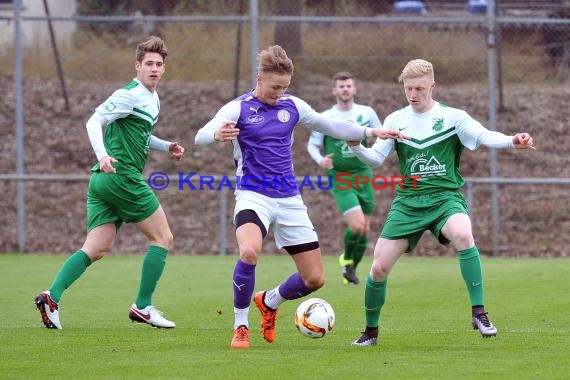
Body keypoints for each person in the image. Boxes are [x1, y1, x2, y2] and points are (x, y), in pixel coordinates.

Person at [195, 45, 405, 349]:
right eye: (275, 86)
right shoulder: (237, 108)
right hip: (253, 196)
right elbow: (202, 134)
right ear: (259, 78)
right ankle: (241, 326)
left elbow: (329, 125)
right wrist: (215, 135)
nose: (279, 93)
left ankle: (269, 301)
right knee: (250, 251)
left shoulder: (292, 106)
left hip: (289, 199)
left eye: (285, 87)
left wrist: (372, 132)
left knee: (314, 279)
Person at [348, 59, 535, 346]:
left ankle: (479, 313)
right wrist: (357, 146)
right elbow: (375, 159)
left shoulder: (453, 117)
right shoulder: (396, 119)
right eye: (408, 88)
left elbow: (484, 135)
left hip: (445, 197)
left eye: (420, 88)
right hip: (408, 201)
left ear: (432, 86)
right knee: (378, 269)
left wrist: (512, 140)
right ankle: (370, 332)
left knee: (463, 233)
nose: (413, 94)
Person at [34, 35, 185, 330]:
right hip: (121, 176)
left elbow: (140, 135)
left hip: (103, 182)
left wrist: (166, 146)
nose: (154, 68)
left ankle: (51, 297)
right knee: (162, 238)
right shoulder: (129, 94)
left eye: (159, 64)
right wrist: (103, 155)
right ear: (137, 65)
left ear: (164, 68)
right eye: (148, 63)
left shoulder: (152, 98)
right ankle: (142, 306)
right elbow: (93, 122)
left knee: (96, 248)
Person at [307, 71, 382, 285]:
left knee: (365, 229)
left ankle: (351, 269)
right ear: (334, 91)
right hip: (340, 177)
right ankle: (346, 258)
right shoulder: (326, 117)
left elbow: (378, 134)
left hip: (363, 174)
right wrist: (321, 159)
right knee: (357, 226)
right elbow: (312, 144)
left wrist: (375, 152)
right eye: (341, 86)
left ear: (354, 89)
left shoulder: (367, 112)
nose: (345, 89)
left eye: (348, 85)